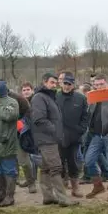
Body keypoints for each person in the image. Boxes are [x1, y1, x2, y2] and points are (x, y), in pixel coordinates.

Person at [31, 73, 77, 206]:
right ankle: (63, 199)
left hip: (50, 138)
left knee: (45, 168)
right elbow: (39, 119)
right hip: (46, 139)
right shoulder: (39, 97)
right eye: (51, 82)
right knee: (56, 168)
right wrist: (55, 131)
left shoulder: (49, 96)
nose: (54, 85)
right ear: (44, 82)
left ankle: (48, 196)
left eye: (56, 82)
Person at [56, 72, 89, 198]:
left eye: (69, 84)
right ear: (61, 83)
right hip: (59, 136)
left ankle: (75, 188)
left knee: (73, 163)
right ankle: (62, 186)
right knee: (59, 163)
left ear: (73, 84)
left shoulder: (80, 98)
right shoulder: (56, 96)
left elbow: (85, 117)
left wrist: (80, 129)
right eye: (65, 83)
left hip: (74, 137)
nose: (66, 86)